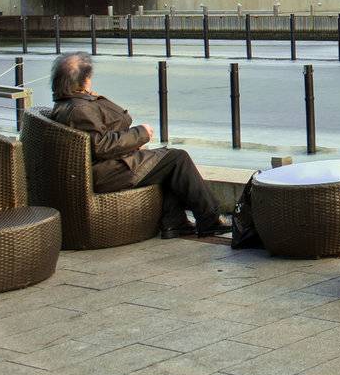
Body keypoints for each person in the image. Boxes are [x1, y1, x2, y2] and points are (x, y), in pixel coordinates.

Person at [48, 52, 229, 238]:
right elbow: (100, 146)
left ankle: (174, 222)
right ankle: (210, 219)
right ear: (84, 79)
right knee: (177, 158)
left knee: (163, 160)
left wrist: (131, 144)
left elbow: (95, 141)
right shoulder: (80, 108)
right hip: (105, 173)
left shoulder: (68, 103)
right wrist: (140, 134)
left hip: (101, 168)